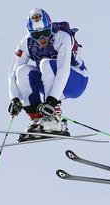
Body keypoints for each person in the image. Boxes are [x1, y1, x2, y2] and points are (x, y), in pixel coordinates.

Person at [7, 9, 88, 140]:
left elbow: (63, 70)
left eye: (45, 33)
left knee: (45, 63)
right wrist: (14, 98)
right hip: (49, 83)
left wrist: (51, 101)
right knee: (22, 71)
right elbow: (12, 73)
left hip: (76, 81)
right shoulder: (26, 43)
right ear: (30, 33)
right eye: (36, 35)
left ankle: (54, 117)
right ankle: (37, 119)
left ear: (49, 27)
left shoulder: (62, 37)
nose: (42, 38)